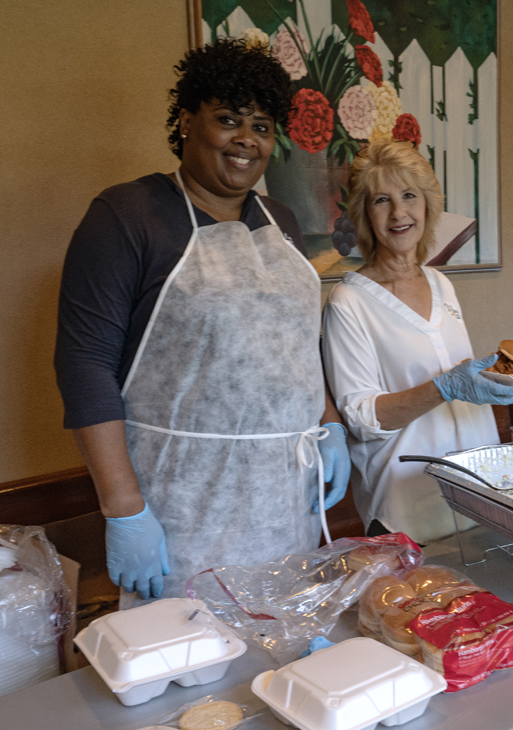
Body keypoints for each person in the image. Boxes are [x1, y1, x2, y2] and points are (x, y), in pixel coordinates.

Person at [54, 38, 350, 606]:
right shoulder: (128, 216)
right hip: (183, 505)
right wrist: (123, 508)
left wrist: (329, 421)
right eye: (228, 120)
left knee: (279, 648)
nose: (246, 140)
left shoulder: (280, 220)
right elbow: (83, 366)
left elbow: (297, 346)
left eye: (262, 126)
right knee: (193, 672)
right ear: (187, 121)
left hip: (286, 498)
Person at [321, 141, 513, 544]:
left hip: (479, 494)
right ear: (365, 214)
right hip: (408, 509)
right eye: (382, 200)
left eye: (409, 196)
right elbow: (362, 418)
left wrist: (509, 376)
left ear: (428, 205)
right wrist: (444, 387)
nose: (399, 212)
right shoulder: (349, 302)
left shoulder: (440, 283)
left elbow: (456, 371)